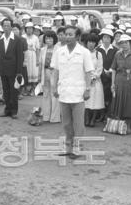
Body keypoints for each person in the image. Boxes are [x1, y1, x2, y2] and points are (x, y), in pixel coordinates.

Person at [51, 26, 93, 158]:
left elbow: (88, 72)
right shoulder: (59, 51)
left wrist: (87, 89)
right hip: (64, 91)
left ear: (77, 37)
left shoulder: (84, 52)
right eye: (66, 34)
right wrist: (54, 87)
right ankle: (67, 148)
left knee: (78, 124)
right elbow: (56, 71)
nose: (68, 37)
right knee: (67, 123)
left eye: (71, 35)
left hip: (78, 93)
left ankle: (77, 149)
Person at [110, 34, 131, 132]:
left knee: (129, 102)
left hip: (130, 81)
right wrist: (112, 83)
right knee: (118, 101)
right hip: (119, 80)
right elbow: (114, 69)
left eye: (126, 43)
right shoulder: (117, 54)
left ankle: (128, 125)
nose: (124, 45)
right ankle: (118, 124)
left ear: (130, 43)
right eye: (122, 43)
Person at [0, 18, 24, 119]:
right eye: (4, 26)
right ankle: (7, 109)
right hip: (3, 69)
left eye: (8, 25)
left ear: (11, 27)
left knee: (14, 91)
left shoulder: (17, 39)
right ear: (2, 27)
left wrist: (19, 72)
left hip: (14, 70)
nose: (6, 28)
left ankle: (14, 111)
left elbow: (20, 57)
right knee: (6, 90)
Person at [39, 30, 60, 123]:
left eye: (50, 38)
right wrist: (39, 76)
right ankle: (46, 116)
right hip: (45, 72)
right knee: (46, 94)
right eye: (47, 38)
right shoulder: (43, 49)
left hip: (54, 73)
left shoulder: (58, 49)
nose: (48, 40)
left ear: (54, 39)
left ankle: (54, 117)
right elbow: (40, 64)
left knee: (54, 94)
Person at [83, 33, 104, 127]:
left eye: (93, 42)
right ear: (86, 43)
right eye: (89, 42)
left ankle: (93, 119)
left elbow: (100, 68)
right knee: (85, 100)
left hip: (95, 80)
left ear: (96, 43)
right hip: (84, 79)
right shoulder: (83, 53)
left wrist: (94, 77)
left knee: (95, 100)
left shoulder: (98, 54)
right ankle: (86, 118)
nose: (91, 44)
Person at [97, 28, 118, 120]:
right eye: (104, 37)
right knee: (100, 95)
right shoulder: (97, 49)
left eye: (108, 37)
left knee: (109, 95)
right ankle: (100, 114)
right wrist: (102, 71)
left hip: (111, 76)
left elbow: (115, 62)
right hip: (100, 76)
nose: (106, 39)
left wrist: (109, 70)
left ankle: (108, 114)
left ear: (111, 39)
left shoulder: (115, 50)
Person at [22, 22, 40, 96]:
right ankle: (26, 90)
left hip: (33, 56)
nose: (29, 30)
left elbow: (38, 49)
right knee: (26, 73)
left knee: (33, 72)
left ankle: (33, 90)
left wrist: (38, 59)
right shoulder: (22, 37)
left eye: (31, 28)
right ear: (25, 29)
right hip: (25, 57)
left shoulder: (35, 38)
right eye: (28, 28)